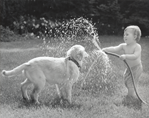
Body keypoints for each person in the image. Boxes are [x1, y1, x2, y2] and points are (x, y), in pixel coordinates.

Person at [102, 25, 143, 106]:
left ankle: (130, 96)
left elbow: (135, 56)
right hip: (129, 68)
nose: (125, 36)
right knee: (126, 81)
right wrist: (105, 49)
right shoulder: (123, 45)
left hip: (136, 68)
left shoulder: (137, 46)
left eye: (127, 34)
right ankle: (131, 92)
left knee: (131, 82)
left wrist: (126, 56)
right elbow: (114, 48)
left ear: (134, 36)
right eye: (124, 35)